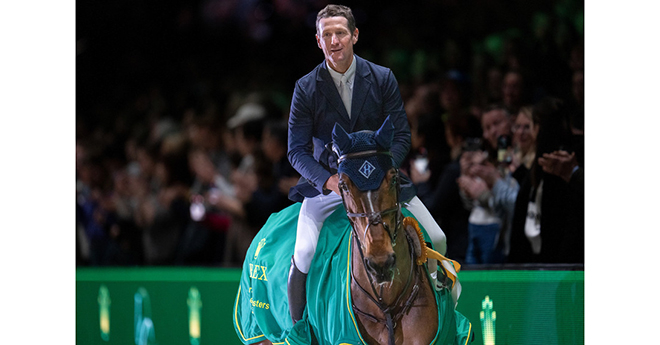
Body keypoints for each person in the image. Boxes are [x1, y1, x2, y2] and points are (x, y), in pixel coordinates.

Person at [286, 4, 447, 324]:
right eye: (327, 35)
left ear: (354, 36)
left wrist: (385, 171)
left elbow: (402, 136)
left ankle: (442, 316)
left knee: (437, 237)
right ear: (319, 41)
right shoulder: (306, 87)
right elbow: (296, 151)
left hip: (380, 180)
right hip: (333, 184)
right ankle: (300, 330)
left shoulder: (382, 77)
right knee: (303, 252)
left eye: (341, 33)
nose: (335, 41)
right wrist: (328, 181)